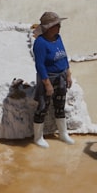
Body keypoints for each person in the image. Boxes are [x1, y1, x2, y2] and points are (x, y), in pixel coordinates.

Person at [31, 11, 74, 148]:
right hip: (48, 78)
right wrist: (47, 84)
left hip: (61, 76)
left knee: (60, 105)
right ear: (48, 27)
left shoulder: (58, 38)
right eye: (57, 25)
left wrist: (68, 73)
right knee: (43, 106)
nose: (59, 27)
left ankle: (63, 133)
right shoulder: (40, 43)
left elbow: (63, 56)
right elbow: (40, 65)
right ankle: (38, 137)